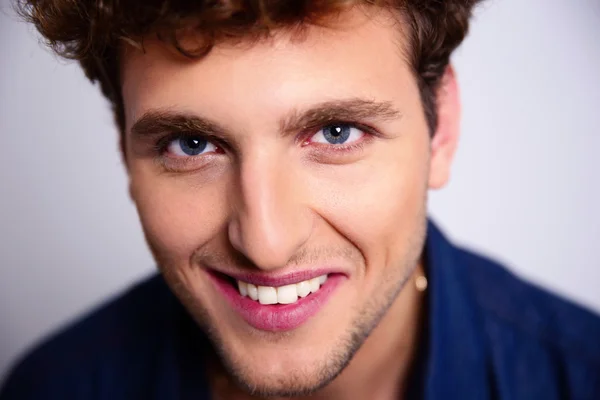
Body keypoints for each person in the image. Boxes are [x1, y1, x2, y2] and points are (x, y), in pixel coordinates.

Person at [1, 0, 599, 398]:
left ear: (439, 130)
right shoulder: (52, 386)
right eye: (192, 144)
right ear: (126, 156)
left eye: (336, 132)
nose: (265, 243)